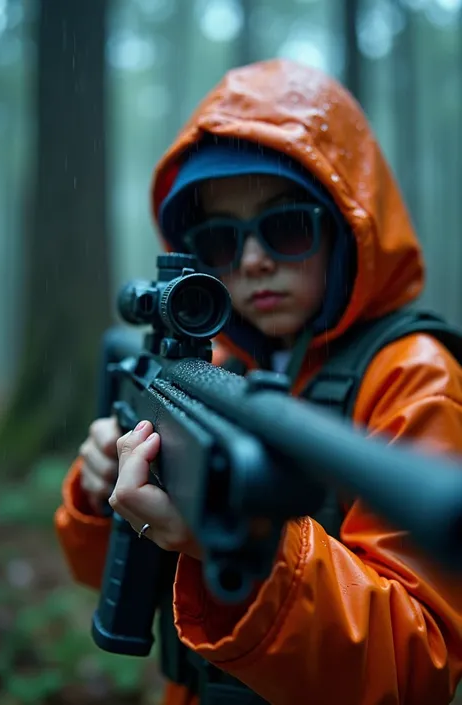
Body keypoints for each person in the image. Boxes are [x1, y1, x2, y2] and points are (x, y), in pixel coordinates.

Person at [55, 59, 462, 705]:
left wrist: (249, 546)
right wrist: (103, 490)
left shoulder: (412, 372)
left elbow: (419, 663)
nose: (252, 260)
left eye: (286, 226)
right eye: (221, 240)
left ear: (346, 225)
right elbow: (89, 570)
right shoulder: (208, 362)